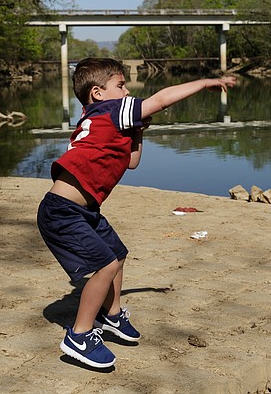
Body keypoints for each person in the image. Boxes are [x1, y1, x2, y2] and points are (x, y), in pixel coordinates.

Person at [37, 57, 237, 368]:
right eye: (121, 85)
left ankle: (112, 314)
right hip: (63, 212)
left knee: (117, 254)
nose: (128, 90)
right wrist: (205, 82)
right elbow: (159, 99)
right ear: (98, 93)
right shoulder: (111, 110)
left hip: (83, 210)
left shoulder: (96, 116)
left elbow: (131, 161)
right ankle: (78, 335)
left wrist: (138, 130)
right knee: (104, 266)